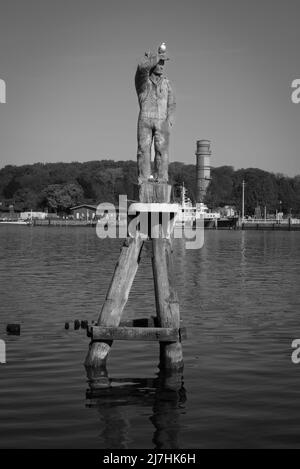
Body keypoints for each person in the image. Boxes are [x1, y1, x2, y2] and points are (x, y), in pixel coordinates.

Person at [135, 44, 176, 184]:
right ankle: (144, 177)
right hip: (145, 119)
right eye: (160, 62)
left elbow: (172, 103)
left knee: (162, 151)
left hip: (162, 120)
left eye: (163, 62)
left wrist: (170, 120)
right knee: (143, 149)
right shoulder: (143, 81)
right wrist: (155, 57)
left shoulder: (167, 83)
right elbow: (141, 68)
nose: (162, 65)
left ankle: (162, 178)